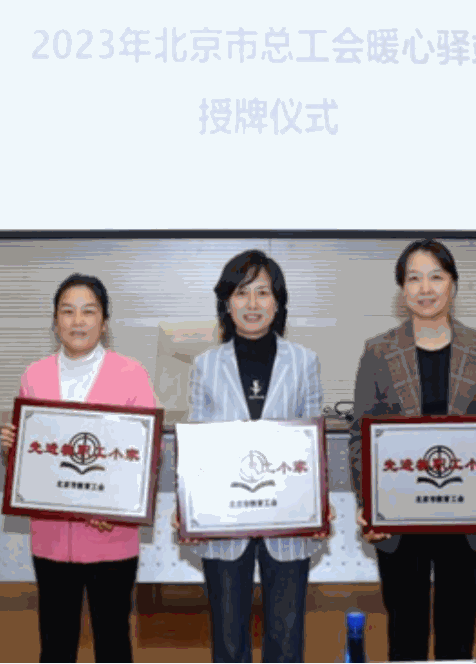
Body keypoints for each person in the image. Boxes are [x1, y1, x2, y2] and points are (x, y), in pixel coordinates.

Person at [348, 238, 476, 662]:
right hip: (399, 518)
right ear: (402, 289)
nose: (425, 288)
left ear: (453, 284)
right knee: (405, 635)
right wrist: (369, 505)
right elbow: (360, 438)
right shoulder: (378, 351)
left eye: (436, 277)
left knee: (457, 634)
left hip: (465, 517)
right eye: (414, 278)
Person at [0, 273, 157, 663]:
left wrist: (114, 508)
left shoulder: (131, 374)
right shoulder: (34, 375)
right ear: (55, 321)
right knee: (55, 644)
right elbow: (33, 460)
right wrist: (14, 449)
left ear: (104, 321)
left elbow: (148, 455)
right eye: (67, 311)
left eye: (89, 311)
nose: (78, 321)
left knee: (113, 642)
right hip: (52, 537)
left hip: (111, 535)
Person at [185, 249, 326, 663]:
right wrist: (189, 503)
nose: (252, 304)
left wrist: (319, 501)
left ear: (277, 303)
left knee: (286, 637)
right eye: (242, 293)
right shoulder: (205, 366)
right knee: (229, 641)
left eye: (262, 292)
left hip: (289, 520)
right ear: (227, 302)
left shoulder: (304, 362)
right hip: (224, 521)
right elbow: (198, 446)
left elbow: (313, 440)